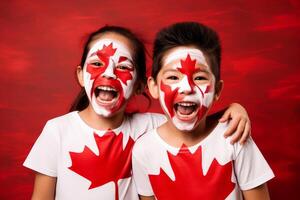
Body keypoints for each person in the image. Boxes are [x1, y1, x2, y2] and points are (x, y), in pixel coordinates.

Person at [24, 25, 252, 200]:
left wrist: (232, 110)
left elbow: (191, 125)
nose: (110, 74)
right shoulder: (57, 131)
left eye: (123, 67)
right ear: (81, 75)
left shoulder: (151, 125)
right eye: (97, 64)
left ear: (141, 85)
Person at [132, 22, 274, 200]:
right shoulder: (144, 150)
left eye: (199, 78)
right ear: (153, 87)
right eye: (173, 77)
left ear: (217, 90)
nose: (187, 88)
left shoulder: (234, 136)